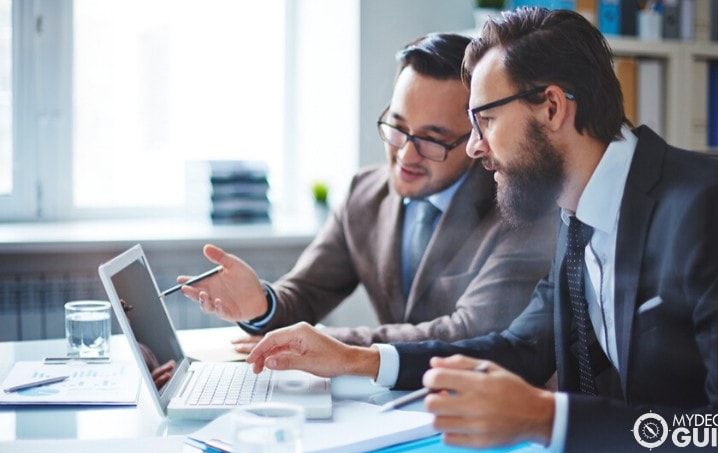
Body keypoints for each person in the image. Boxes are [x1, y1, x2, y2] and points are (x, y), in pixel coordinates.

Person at [240, 7, 718, 453]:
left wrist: (548, 418)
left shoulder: (708, 207)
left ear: (553, 108)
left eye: (483, 122)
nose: (473, 148)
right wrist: (358, 359)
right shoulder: (577, 214)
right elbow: (520, 348)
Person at [179, 32, 557, 348]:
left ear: (477, 138)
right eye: (397, 127)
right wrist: (262, 305)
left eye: (433, 139)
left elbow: (469, 332)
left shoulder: (519, 209)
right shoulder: (364, 193)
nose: (406, 154)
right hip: (385, 406)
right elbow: (305, 292)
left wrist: (327, 344)